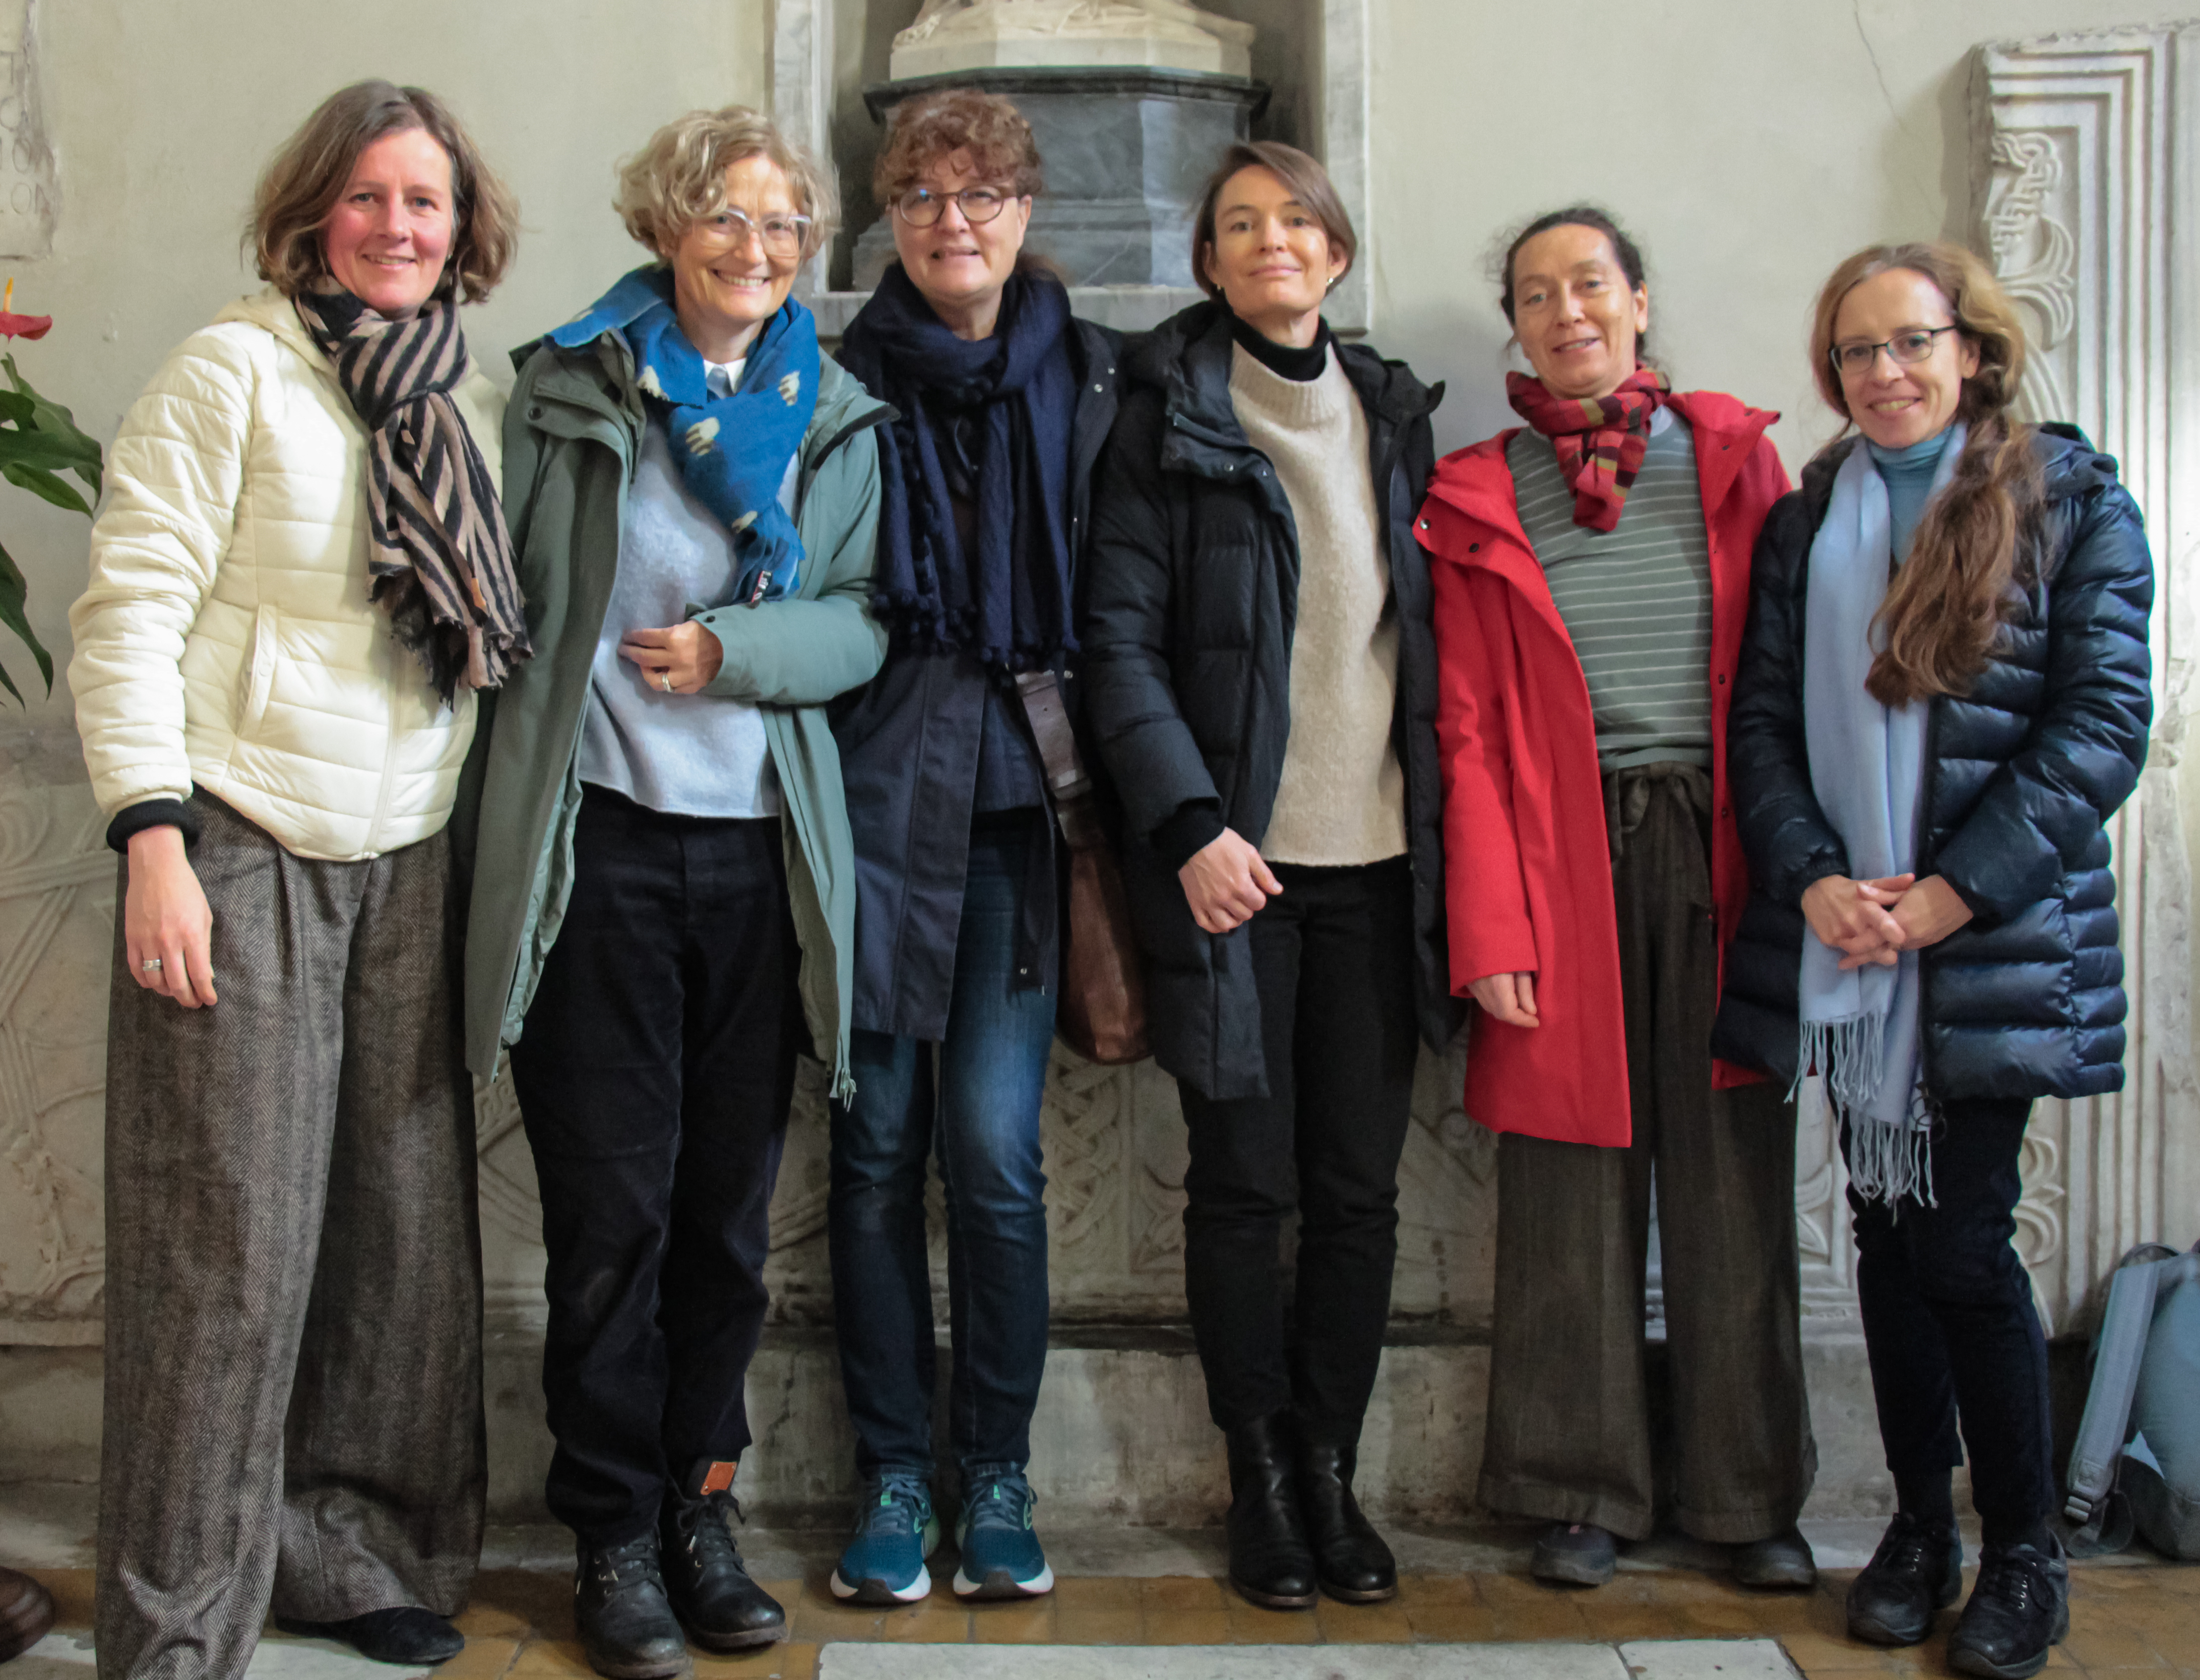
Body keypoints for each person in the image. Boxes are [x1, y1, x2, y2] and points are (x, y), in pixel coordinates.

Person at [67, 80, 520, 1676]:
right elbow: (126, 613)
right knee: (224, 1253)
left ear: (465, 230)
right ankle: (178, 1623)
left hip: (412, 847)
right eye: (373, 198)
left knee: (396, 1237)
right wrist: (152, 836)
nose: (402, 227)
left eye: (430, 202)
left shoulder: (460, 401)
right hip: (242, 837)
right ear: (312, 211)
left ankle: (352, 1549)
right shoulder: (231, 371)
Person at [457, 107, 887, 1678]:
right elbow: (498, 596)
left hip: (759, 850)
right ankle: (612, 1531)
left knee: (721, 1225)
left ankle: (704, 1508)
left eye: (784, 229)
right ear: (665, 225)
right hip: (605, 845)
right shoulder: (573, 390)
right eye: (726, 220)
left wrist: (732, 656)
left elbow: (856, 628)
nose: (757, 252)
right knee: (611, 1221)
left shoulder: (836, 413)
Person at [1715, 242, 2151, 1679]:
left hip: (1990, 944)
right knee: (1891, 1241)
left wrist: (1954, 895)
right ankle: (1919, 1530)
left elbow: (2098, 728)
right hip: (1852, 946)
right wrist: (1818, 877)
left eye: (1910, 344)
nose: (1884, 374)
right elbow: (1764, 729)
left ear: (1972, 349)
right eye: (1855, 353)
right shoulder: (1807, 521)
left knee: (1961, 1241)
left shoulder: (2071, 503)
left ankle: (2025, 1549)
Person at [1415, 206, 1815, 1590]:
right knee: (1568, 1177)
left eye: (1591, 284)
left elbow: (1795, 669)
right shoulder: (1478, 490)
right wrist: (1493, 927)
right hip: (1557, 852)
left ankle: (1745, 1489)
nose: (1566, 311)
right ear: (1516, 327)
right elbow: (1466, 728)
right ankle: (1577, 1481)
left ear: (1640, 302)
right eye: (1536, 294)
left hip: (1725, 844)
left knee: (1732, 1173)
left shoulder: (1738, 456)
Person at [1082, 141, 1456, 1611]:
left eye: (1294, 220)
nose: (1269, 243)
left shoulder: (1396, 417)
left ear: (1337, 249)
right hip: (1231, 873)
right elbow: (1116, 647)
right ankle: (1260, 1479)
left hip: (1378, 871)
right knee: (1242, 1188)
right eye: (1240, 226)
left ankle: (1335, 1478)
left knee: (1356, 1194)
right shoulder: (1162, 419)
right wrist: (1188, 828)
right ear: (1213, 264)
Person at [825, 89, 1119, 1606]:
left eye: (985, 192)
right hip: (868, 814)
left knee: (993, 1160)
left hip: (1018, 814)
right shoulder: (832, 378)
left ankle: (994, 1470)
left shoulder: (1090, 371)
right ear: (890, 213)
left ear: (1024, 210)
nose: (956, 218)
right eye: (927, 193)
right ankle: (891, 1469)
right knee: (872, 1149)